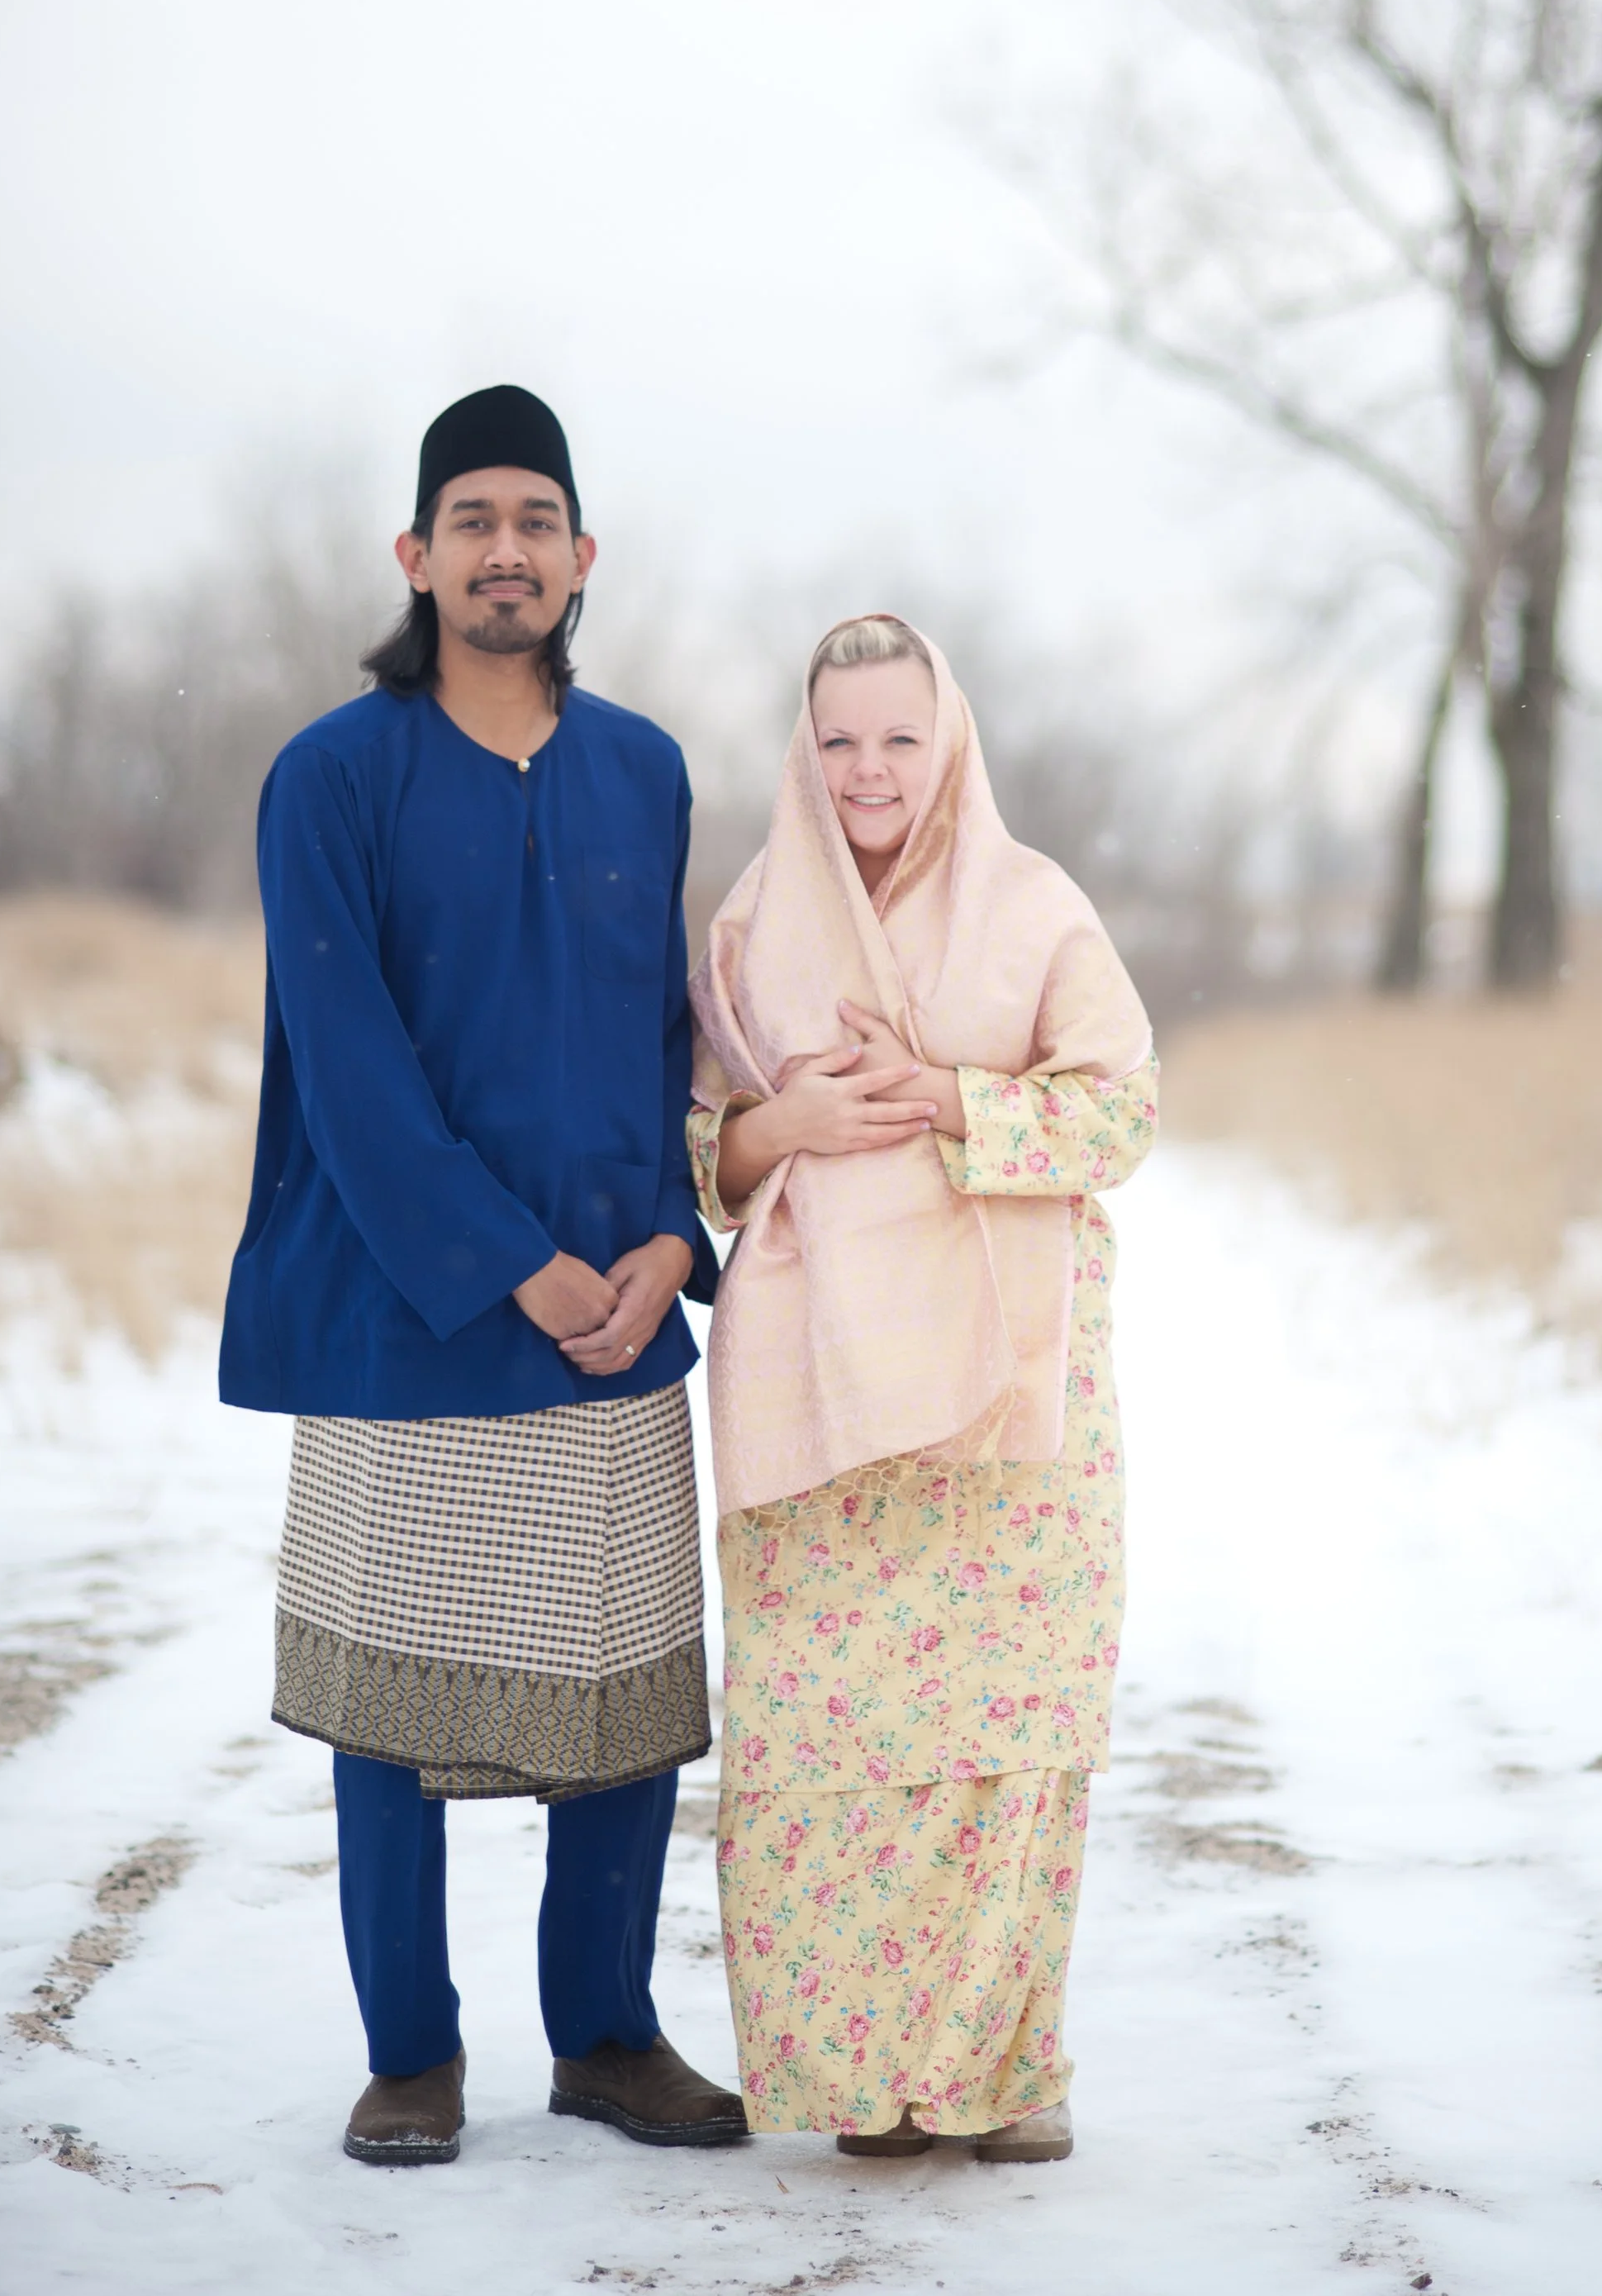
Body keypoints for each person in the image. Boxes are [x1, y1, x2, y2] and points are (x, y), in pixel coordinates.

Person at [219, 384, 746, 2168]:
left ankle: (604, 2033)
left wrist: (674, 1244)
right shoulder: (331, 776)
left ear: (582, 557)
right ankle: (409, 2053)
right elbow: (348, 1073)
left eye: (536, 519)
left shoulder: (645, 770)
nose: (505, 548)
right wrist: (513, 1267)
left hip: (620, 1309)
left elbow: (672, 1032)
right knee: (396, 1695)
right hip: (411, 1311)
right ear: (417, 555)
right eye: (472, 520)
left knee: (621, 1699)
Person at [686, 615, 1156, 2164]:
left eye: (898, 736)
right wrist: (792, 1123)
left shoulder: (1033, 909)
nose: (869, 770)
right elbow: (704, 1157)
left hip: (1008, 1387)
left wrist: (952, 1103)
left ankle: (1004, 2075)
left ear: (946, 737)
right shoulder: (756, 918)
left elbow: (1122, 1117)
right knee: (830, 1753)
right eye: (839, 740)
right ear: (802, 752)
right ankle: (868, 2084)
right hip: (814, 1390)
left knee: (999, 1739)